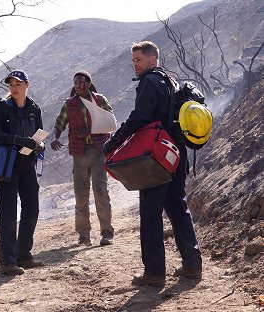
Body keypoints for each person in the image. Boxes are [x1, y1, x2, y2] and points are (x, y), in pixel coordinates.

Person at [104, 41, 202, 287]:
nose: (134, 65)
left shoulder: (149, 81)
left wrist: (113, 143)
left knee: (150, 213)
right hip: (176, 155)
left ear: (151, 59)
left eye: (138, 60)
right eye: (133, 60)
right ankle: (192, 265)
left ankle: (155, 273)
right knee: (179, 209)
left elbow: (139, 117)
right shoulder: (170, 81)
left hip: (156, 158)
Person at [0, 70, 45, 275]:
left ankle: (24, 256)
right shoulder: (1, 106)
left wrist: (39, 145)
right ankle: (8, 262)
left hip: (27, 164)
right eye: (11, 84)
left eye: (18, 84)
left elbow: (39, 134)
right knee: (9, 213)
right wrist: (19, 141)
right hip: (7, 164)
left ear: (27, 85)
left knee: (32, 208)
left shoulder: (34, 108)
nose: (14, 87)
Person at [50, 70, 115, 246]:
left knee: (101, 191)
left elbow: (111, 123)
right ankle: (84, 235)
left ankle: (107, 233)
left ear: (88, 84)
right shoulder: (69, 104)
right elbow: (59, 123)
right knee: (80, 194)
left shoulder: (100, 100)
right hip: (79, 153)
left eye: (82, 82)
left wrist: (91, 131)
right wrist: (55, 137)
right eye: (75, 82)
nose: (78, 85)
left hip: (98, 151)